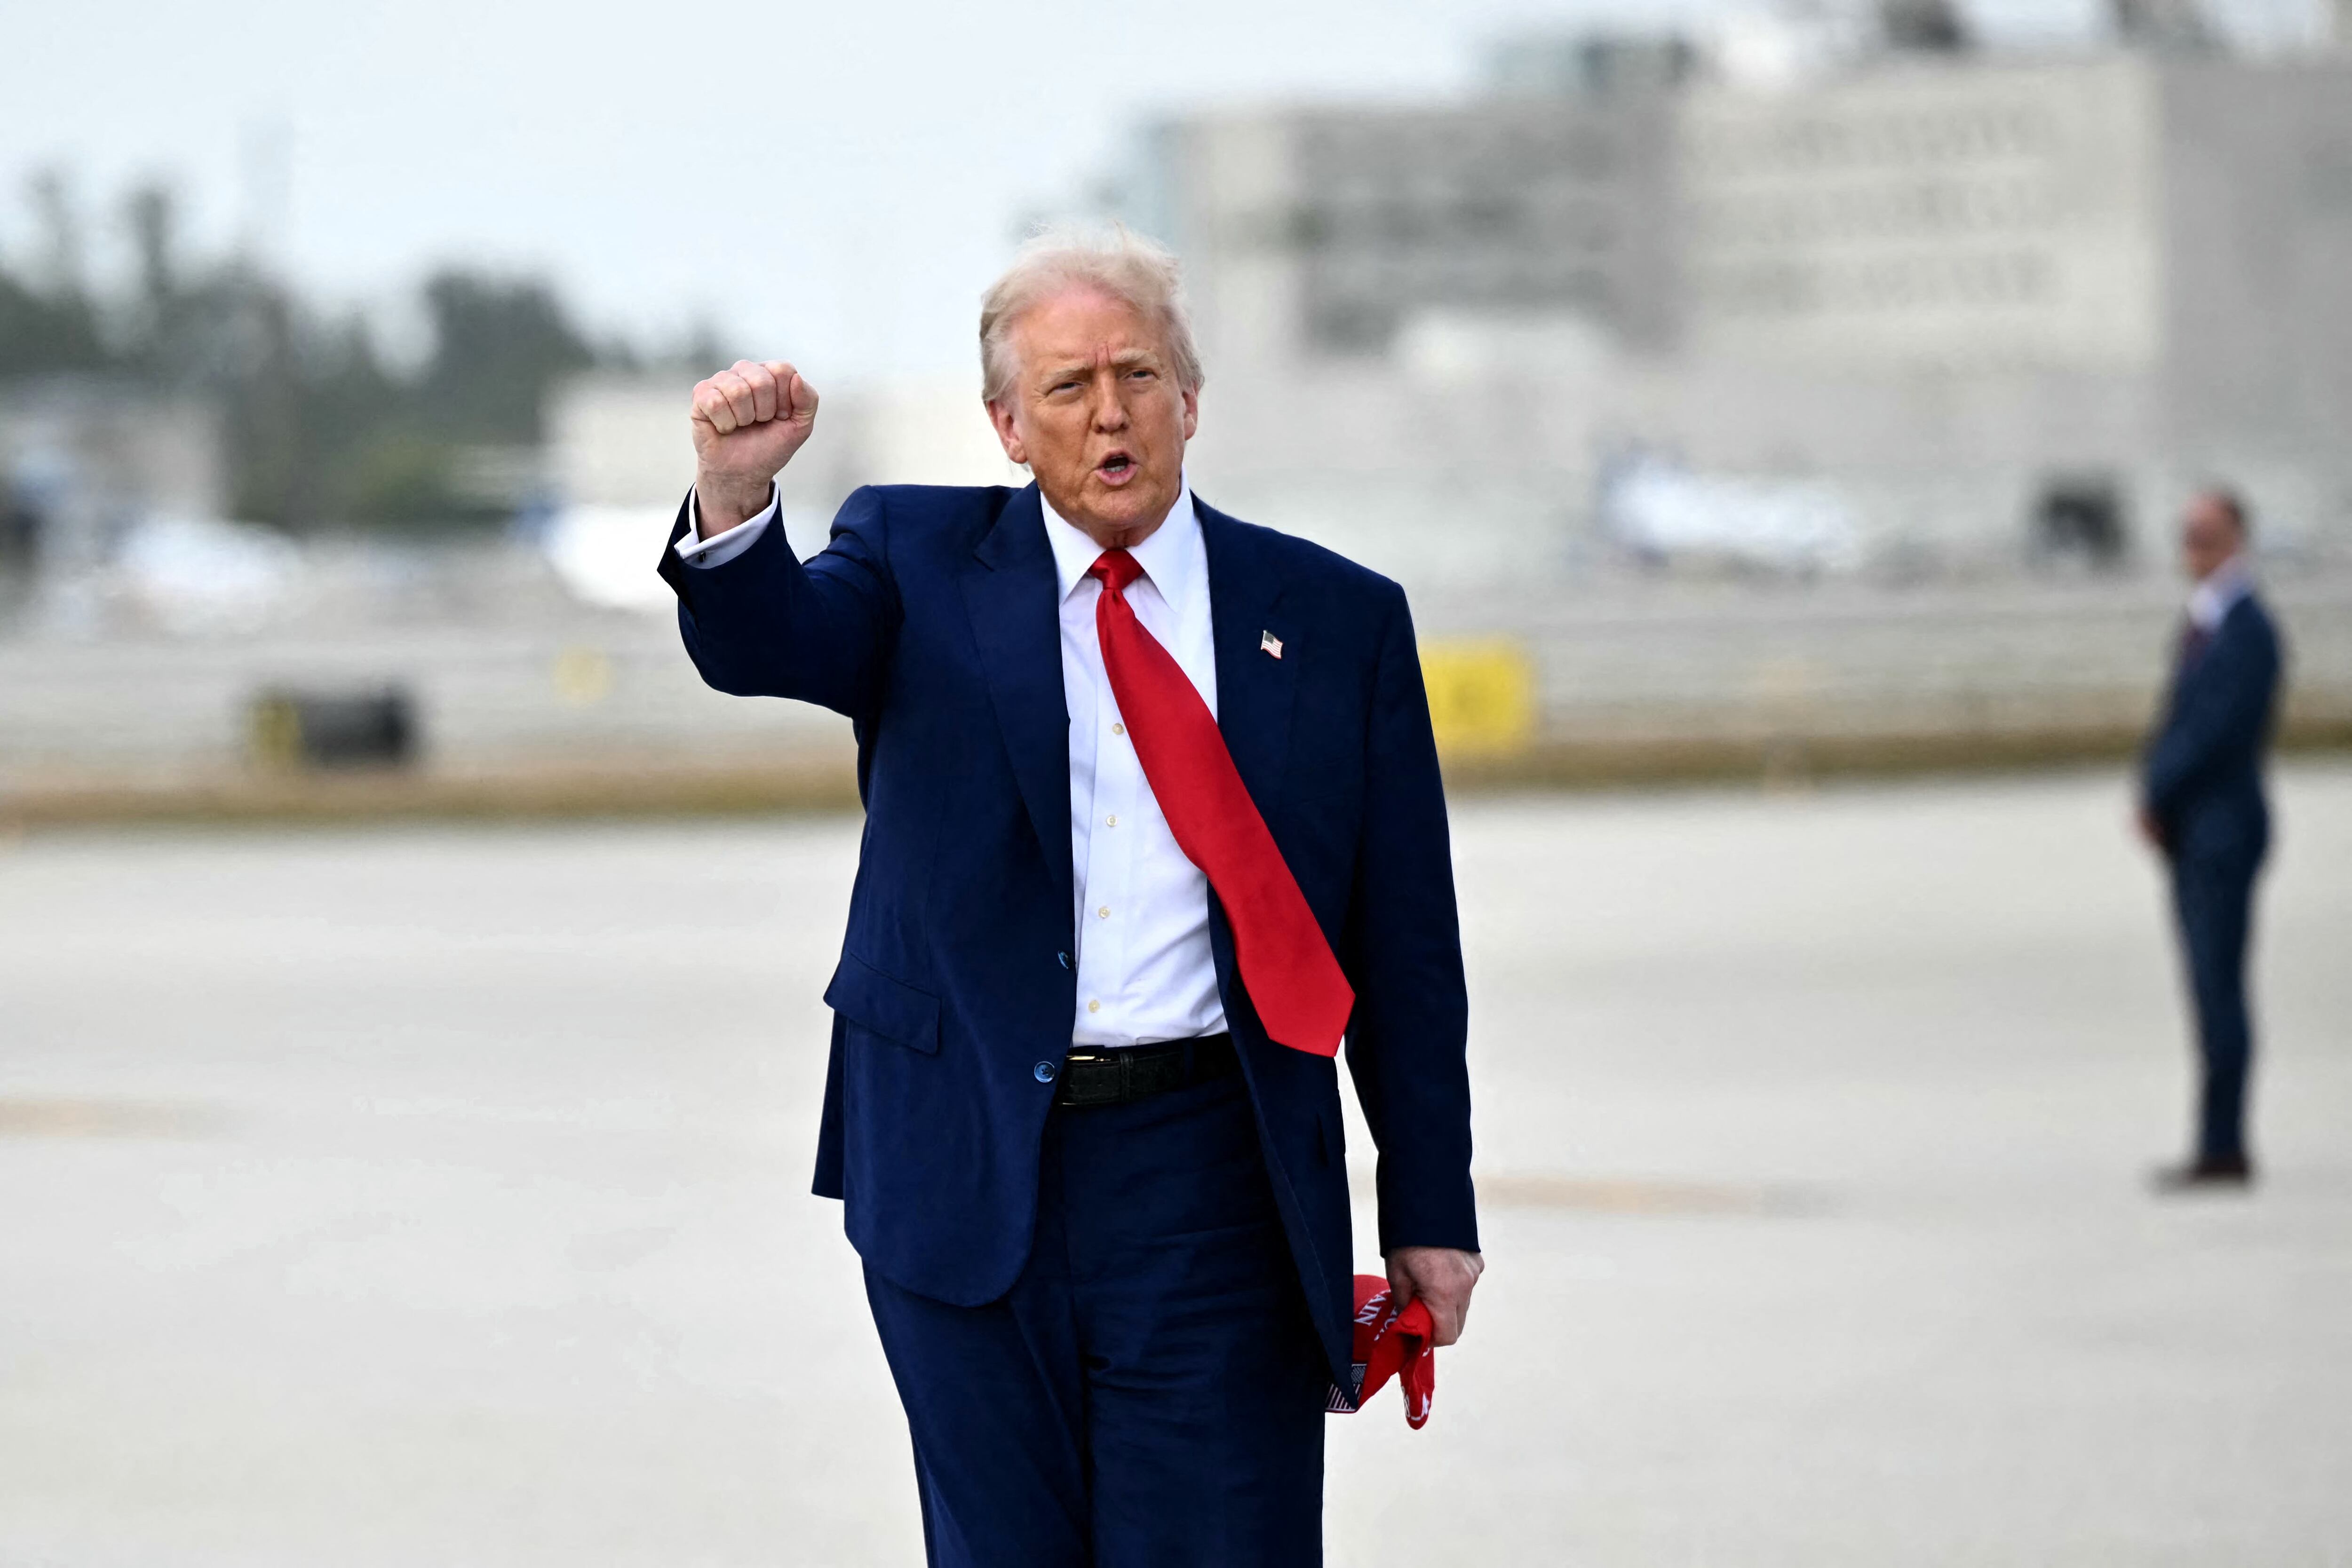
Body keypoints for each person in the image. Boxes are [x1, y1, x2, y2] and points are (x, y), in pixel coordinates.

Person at [654, 228, 1482, 1565]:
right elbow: (767, 644)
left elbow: (1406, 942)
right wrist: (733, 498)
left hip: (1212, 1170)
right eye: (1067, 387)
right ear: (1006, 425)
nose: (1110, 412)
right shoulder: (915, 559)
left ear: (1192, 399)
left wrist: (1430, 1204)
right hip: (969, 1151)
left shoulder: (1335, 618)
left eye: (1138, 374)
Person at [2137, 487, 2283, 1190]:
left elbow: (2212, 733)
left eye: (2204, 534)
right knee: (2205, 986)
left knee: (2220, 985)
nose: (2191, 548)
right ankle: (2215, 1136)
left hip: (2222, 827)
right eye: (2185, 534)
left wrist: (2158, 789)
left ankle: (2224, 1142)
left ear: (2235, 540)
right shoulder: (2204, 622)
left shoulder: (2247, 629)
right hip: (2196, 827)